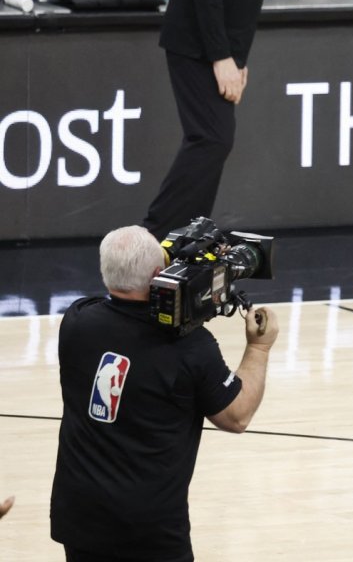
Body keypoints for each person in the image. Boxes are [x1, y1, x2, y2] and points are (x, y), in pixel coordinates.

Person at [50, 225, 279, 562]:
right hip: (148, 528)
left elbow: (124, 303)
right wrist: (259, 348)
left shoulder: (77, 321)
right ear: (159, 273)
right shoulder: (189, 348)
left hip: (80, 514)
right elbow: (237, 415)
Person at [142, 0, 263, 240]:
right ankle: (153, 236)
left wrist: (237, 59)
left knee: (214, 141)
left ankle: (186, 237)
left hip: (219, 45)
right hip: (198, 42)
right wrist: (221, 56)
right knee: (211, 139)